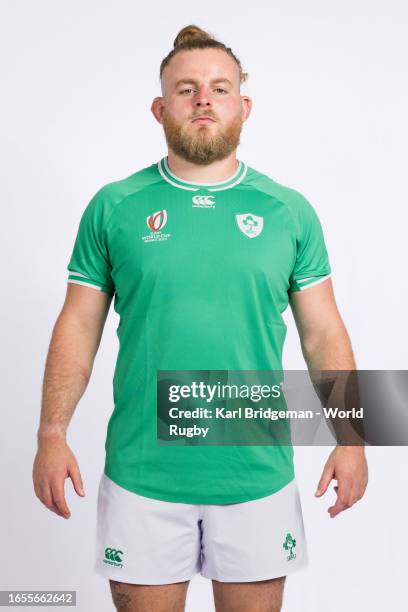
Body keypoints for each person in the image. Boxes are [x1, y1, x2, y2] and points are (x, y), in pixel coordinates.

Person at [33, 25, 368, 612]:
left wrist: (351, 436)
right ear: (161, 108)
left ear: (244, 104)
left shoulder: (289, 211)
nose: (204, 99)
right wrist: (51, 432)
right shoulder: (114, 206)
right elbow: (77, 326)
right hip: (144, 477)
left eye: (219, 87)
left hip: (255, 472)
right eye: (186, 90)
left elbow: (323, 332)